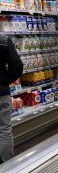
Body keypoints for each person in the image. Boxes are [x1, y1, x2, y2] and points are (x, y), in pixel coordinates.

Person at [0, 34, 23, 163]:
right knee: (4, 129)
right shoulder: (3, 40)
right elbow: (17, 66)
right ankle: (7, 165)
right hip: (1, 94)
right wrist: (5, 81)